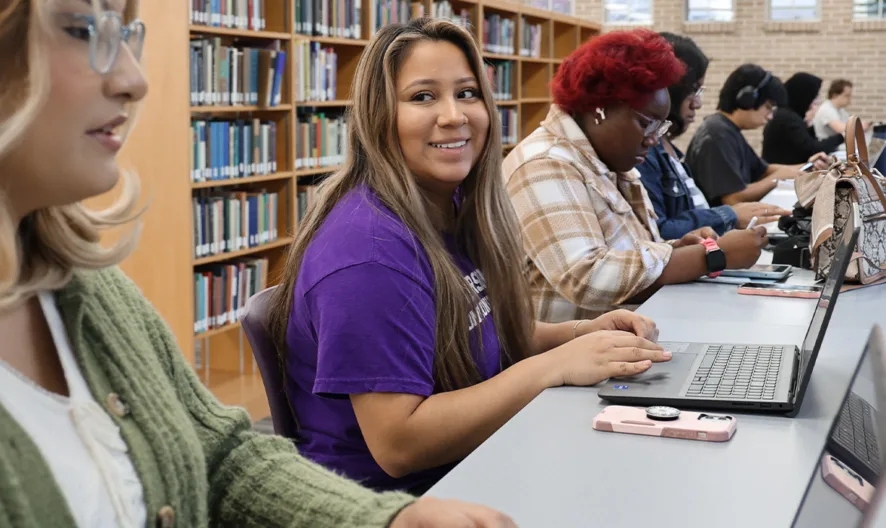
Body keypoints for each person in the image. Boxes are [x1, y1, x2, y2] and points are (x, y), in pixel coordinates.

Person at [0, 1, 517, 526]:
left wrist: (387, 521)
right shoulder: (370, 246)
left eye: (123, 36)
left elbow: (222, 458)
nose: (135, 80)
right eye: (79, 30)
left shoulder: (89, 287)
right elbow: (397, 441)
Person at [268, 17, 669, 497]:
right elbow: (400, 444)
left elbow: (472, 331)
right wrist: (552, 367)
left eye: (466, 93)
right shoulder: (368, 254)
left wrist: (578, 335)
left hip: (479, 461)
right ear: (378, 114)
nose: (453, 115)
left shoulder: (450, 207)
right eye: (422, 97)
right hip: (404, 501)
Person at [502, 29, 768, 324]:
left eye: (660, 128)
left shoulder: (607, 162)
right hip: (569, 357)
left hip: (622, 339)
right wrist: (712, 256)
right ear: (598, 109)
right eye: (645, 124)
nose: (653, 139)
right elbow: (588, 277)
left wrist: (675, 248)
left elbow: (627, 254)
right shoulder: (545, 163)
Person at [638, 32, 790, 240]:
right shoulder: (645, 151)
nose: (697, 103)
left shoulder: (670, 149)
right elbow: (658, 232)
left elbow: (762, 170)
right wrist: (733, 215)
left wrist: (798, 171)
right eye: (693, 90)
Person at [685, 64, 829, 207]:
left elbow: (763, 170)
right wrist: (777, 179)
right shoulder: (717, 135)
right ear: (747, 99)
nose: (770, 116)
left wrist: (808, 166)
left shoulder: (728, 129)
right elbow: (733, 199)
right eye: (768, 107)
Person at [762, 72, 843, 165]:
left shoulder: (789, 115)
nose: (815, 101)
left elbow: (806, 143)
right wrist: (841, 136)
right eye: (814, 97)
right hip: (782, 174)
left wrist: (809, 125)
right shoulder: (787, 118)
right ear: (804, 95)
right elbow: (812, 150)